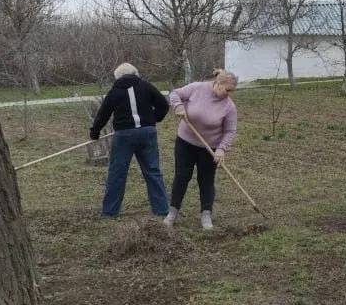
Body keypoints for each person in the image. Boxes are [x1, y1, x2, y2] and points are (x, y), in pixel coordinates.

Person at [89, 63, 171, 219]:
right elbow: (163, 104)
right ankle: (162, 210)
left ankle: (109, 212)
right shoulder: (147, 86)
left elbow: (103, 113)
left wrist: (95, 132)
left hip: (124, 135)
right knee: (152, 171)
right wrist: (153, 119)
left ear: (118, 77)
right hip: (148, 133)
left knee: (117, 173)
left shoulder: (114, 91)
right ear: (136, 73)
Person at [166, 69, 238, 230]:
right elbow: (174, 94)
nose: (229, 94)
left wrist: (221, 150)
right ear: (218, 83)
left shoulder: (229, 107)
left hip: (209, 148)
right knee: (182, 177)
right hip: (185, 143)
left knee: (206, 181)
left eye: (231, 91)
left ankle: (206, 214)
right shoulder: (197, 88)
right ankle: (172, 213)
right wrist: (178, 106)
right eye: (227, 90)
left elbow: (230, 131)